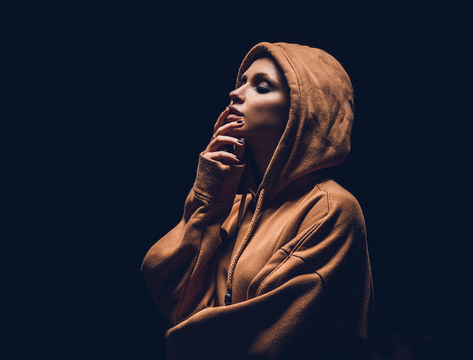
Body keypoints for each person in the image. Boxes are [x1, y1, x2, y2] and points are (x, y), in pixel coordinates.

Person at [141, 42, 374, 359]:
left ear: (304, 110)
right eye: (241, 82)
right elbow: (175, 299)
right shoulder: (234, 206)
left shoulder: (331, 209)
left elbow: (270, 340)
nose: (236, 94)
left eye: (261, 86)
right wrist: (209, 194)